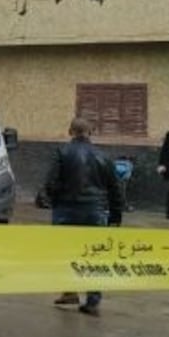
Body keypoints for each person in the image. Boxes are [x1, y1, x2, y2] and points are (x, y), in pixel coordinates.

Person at [44, 118, 122, 316]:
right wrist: (115, 216)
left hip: (66, 209)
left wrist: (56, 199)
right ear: (91, 132)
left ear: (70, 131)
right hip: (95, 211)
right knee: (94, 255)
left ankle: (69, 291)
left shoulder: (62, 152)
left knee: (66, 252)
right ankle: (93, 300)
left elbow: (51, 182)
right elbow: (115, 188)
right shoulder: (103, 156)